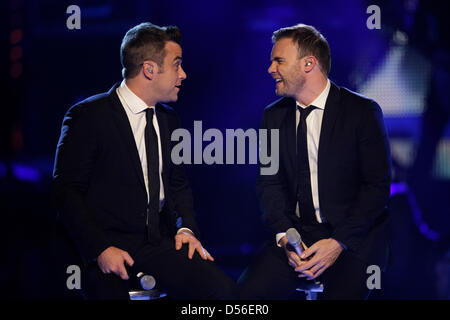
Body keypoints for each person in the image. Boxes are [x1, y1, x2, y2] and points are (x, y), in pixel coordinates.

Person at [52, 22, 236, 300]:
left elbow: (177, 185)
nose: (183, 74)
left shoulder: (168, 119)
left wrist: (185, 227)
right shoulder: (88, 116)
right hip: (105, 246)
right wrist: (100, 248)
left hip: (156, 244)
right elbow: (66, 192)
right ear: (149, 69)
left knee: (226, 294)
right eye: (177, 65)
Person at [238, 24, 391, 299]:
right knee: (244, 296)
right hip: (299, 235)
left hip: (355, 236)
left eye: (278, 61)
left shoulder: (362, 112)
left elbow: (376, 187)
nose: (270, 69)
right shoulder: (273, 117)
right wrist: (285, 236)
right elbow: (269, 184)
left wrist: (338, 242)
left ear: (308, 63)